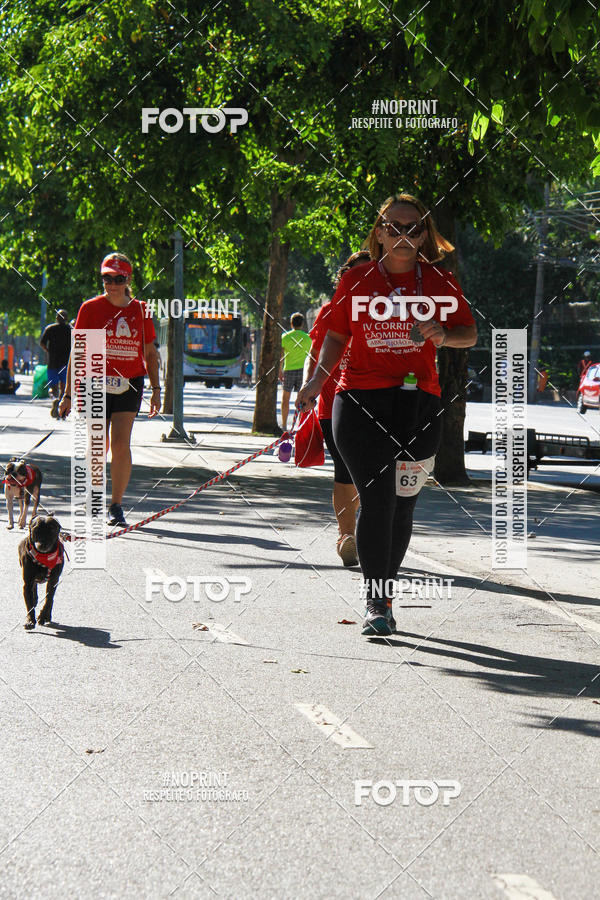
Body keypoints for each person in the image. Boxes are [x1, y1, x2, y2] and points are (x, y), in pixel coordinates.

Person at [297, 193, 477, 637]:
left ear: (424, 235)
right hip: (359, 402)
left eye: (412, 228)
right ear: (378, 233)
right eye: (393, 227)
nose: (402, 235)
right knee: (377, 499)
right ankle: (377, 601)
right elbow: (336, 337)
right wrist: (316, 382)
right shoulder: (357, 280)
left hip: (418, 407)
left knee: (402, 507)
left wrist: (443, 335)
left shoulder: (439, 281)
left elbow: (469, 333)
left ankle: (386, 591)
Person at [58, 253, 160, 527]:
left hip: (129, 380)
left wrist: (157, 388)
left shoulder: (141, 310)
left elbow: (150, 352)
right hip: (95, 380)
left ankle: (115, 505)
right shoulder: (90, 308)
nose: (112, 284)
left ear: (128, 280)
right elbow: (78, 352)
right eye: (107, 278)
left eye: (118, 278)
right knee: (96, 444)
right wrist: (67, 394)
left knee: (120, 443)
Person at [304, 250, 371, 567]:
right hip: (334, 405)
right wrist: (308, 386)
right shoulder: (331, 310)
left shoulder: (388, 312)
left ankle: (357, 528)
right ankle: (347, 537)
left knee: (368, 475)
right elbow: (316, 351)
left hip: (376, 404)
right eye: (355, 276)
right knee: (345, 471)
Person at [279, 312, 312, 431]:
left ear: (291, 323)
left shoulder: (285, 337)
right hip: (303, 371)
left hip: (288, 370)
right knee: (302, 399)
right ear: (302, 324)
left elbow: (281, 356)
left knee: (285, 398)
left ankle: (283, 425)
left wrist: (279, 370)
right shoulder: (308, 338)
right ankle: (300, 424)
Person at [40, 309, 72, 418]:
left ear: (56, 318)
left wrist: (49, 351)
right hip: (65, 363)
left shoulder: (50, 328)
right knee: (63, 385)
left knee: (53, 386)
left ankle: (55, 399)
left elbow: (42, 343)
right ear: (66, 319)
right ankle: (61, 401)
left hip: (53, 361)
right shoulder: (70, 329)